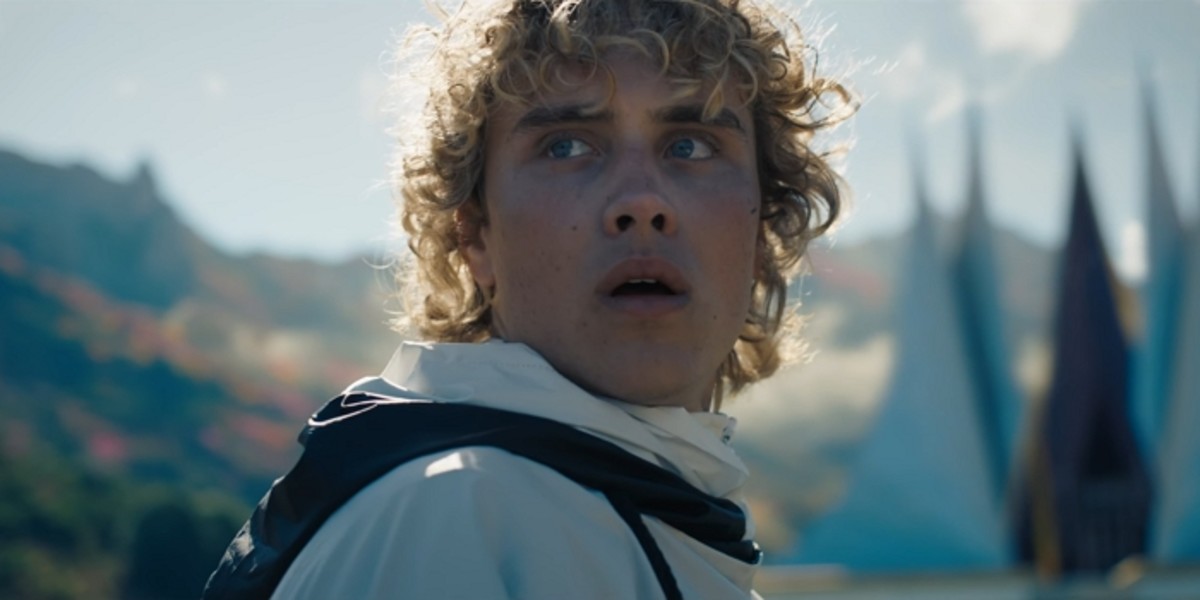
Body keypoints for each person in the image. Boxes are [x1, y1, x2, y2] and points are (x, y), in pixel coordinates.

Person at [204, 0, 851, 598]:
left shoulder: (658, 517)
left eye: (690, 145)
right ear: (475, 236)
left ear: (762, 228)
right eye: (566, 146)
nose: (641, 202)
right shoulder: (456, 511)